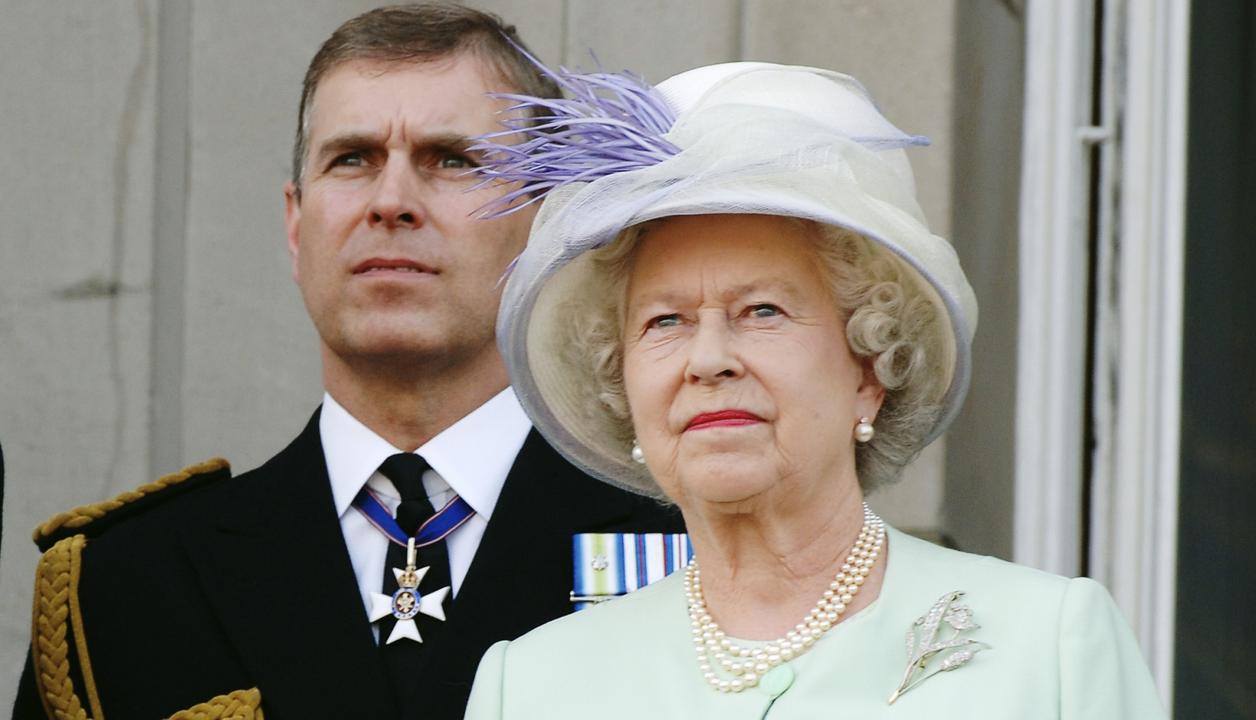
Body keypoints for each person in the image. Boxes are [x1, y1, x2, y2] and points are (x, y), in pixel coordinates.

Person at [13, 5, 679, 719]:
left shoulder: (690, 547)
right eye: (352, 158)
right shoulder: (126, 586)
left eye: (452, 159)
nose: (391, 201)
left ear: (544, 222)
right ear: (296, 225)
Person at [462, 62, 1167, 717]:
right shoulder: (530, 685)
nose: (707, 360)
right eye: (664, 320)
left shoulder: (1049, 646)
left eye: (761, 311)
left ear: (871, 368)